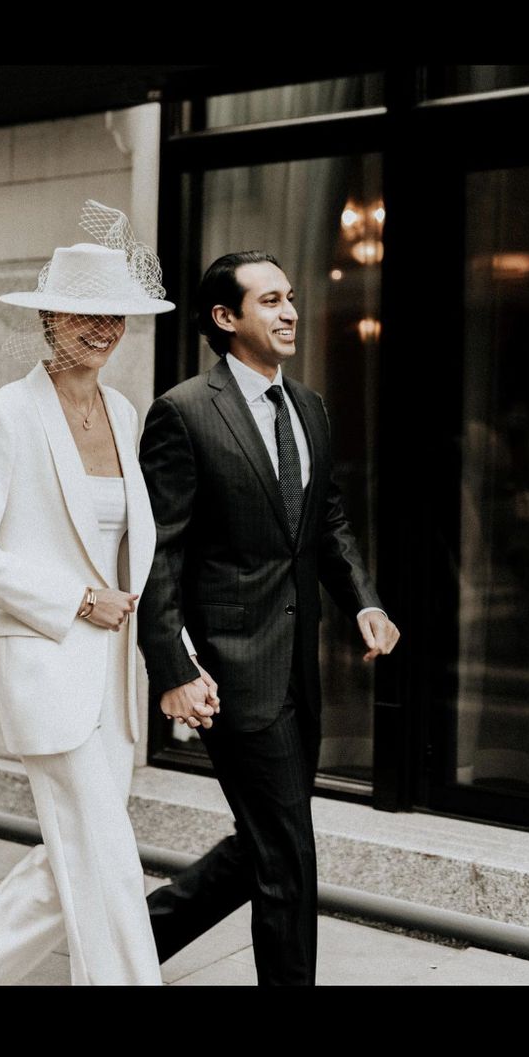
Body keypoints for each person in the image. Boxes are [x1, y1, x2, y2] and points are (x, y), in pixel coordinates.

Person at [0, 201, 174, 986]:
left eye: (117, 318)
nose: (102, 329)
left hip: (114, 679)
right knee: (107, 860)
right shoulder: (8, 413)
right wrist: (73, 598)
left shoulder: (124, 411)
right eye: (86, 314)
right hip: (47, 661)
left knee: (74, 849)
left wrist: (171, 655)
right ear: (52, 318)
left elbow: (133, 547)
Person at [137, 251, 400, 987]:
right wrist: (174, 668)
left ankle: (130, 939)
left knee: (268, 842)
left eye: (291, 295)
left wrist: (366, 600)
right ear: (225, 318)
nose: (289, 311)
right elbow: (158, 554)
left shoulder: (309, 406)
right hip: (231, 671)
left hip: (299, 669)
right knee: (287, 859)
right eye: (270, 299)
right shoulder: (184, 412)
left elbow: (327, 521)